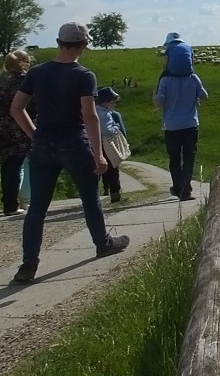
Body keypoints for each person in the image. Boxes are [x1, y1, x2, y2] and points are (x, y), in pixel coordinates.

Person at [9, 23, 129, 285]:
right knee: (89, 198)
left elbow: (17, 109)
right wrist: (99, 154)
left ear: (58, 41)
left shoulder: (37, 72)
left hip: (43, 145)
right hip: (74, 143)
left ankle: (28, 265)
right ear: (84, 44)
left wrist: (35, 135)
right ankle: (103, 243)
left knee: (37, 209)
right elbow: (89, 115)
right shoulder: (84, 75)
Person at [154, 69, 208, 201]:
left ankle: (178, 188)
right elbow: (204, 96)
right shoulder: (193, 77)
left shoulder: (165, 80)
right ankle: (186, 189)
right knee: (189, 157)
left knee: (174, 158)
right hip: (190, 124)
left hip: (171, 126)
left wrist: (154, 95)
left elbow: (159, 102)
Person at [1, 50, 34, 216]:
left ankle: (9, 202)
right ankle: (20, 203)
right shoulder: (25, 80)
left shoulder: (2, 80)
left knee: (8, 164)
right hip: (21, 125)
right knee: (22, 163)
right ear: (24, 62)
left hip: (3, 127)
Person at [95, 86, 126, 203]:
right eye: (113, 101)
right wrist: (116, 127)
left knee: (95, 171)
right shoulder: (105, 113)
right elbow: (107, 130)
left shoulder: (94, 110)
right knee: (113, 169)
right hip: (106, 145)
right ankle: (115, 195)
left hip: (93, 144)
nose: (114, 104)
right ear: (106, 102)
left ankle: (92, 196)